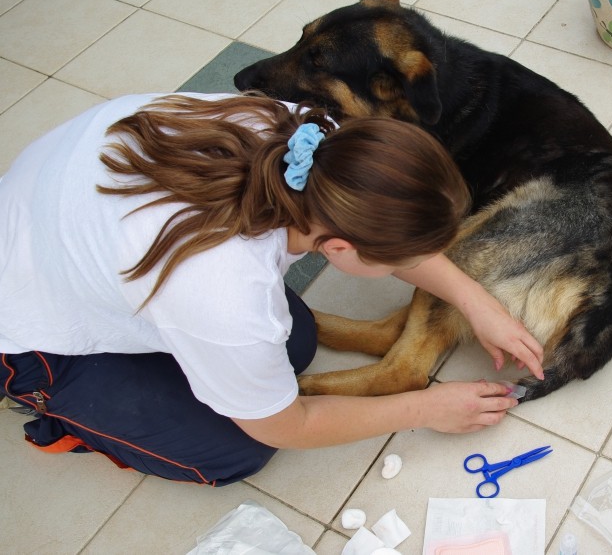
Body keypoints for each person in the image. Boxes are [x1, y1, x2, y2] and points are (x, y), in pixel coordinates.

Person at [0, 92, 544, 486]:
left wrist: (477, 301)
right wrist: (425, 408)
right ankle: (54, 404)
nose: (420, 264)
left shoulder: (310, 139)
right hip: (24, 333)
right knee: (232, 447)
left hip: (52, 227)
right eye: (400, 259)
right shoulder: (224, 293)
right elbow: (287, 426)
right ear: (336, 248)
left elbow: (383, 229)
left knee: (295, 339)